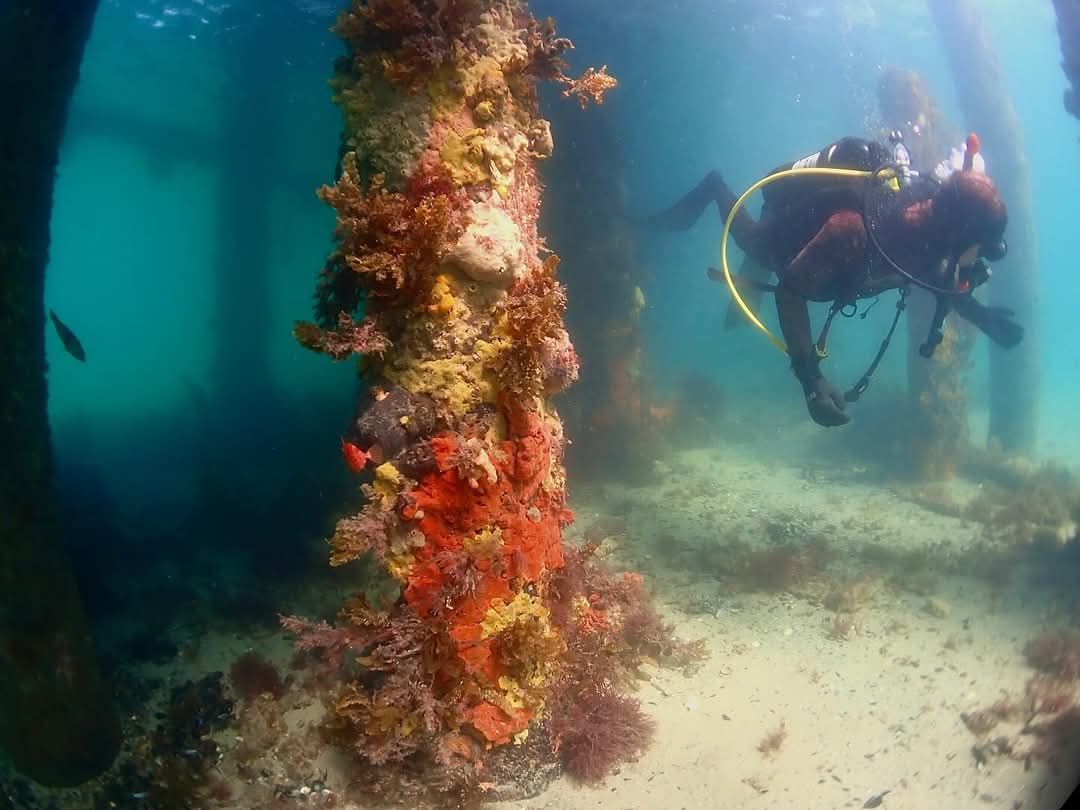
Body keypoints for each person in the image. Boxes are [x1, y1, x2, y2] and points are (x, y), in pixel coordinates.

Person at [643, 135, 1022, 427]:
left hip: (836, 272)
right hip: (789, 242)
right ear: (956, 234)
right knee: (754, 244)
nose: (979, 261)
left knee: (761, 258)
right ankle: (714, 187)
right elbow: (791, 291)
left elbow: (938, 276)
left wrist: (980, 315)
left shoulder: (931, 239)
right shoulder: (853, 231)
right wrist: (812, 383)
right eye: (980, 248)